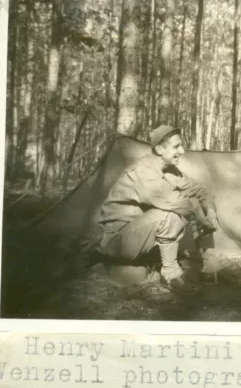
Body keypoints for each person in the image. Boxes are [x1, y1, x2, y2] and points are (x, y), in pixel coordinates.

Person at [95, 125, 221, 293]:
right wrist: (201, 217)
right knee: (171, 212)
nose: (182, 151)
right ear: (160, 149)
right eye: (176, 146)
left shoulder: (169, 170)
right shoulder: (142, 171)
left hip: (140, 236)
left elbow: (202, 192)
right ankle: (171, 274)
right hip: (118, 241)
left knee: (195, 201)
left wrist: (210, 211)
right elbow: (177, 203)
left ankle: (210, 267)